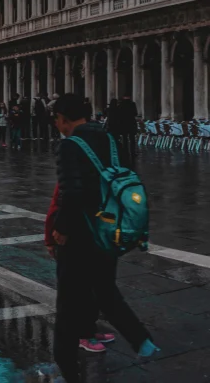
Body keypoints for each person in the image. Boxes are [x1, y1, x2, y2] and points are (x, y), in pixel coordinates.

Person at [49, 93, 157, 382]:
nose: (58, 126)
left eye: (58, 120)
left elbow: (71, 192)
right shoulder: (110, 140)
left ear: (65, 119)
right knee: (105, 289)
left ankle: (66, 365)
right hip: (111, 229)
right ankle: (141, 339)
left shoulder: (70, 146)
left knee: (68, 301)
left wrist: (61, 229)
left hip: (82, 233)